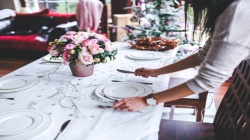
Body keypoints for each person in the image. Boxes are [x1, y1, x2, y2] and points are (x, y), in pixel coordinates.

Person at [113, 0, 250, 112]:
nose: (184, 2)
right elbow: (202, 55)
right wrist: (156, 71)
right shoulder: (232, 9)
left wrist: (145, 100)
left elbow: (208, 80)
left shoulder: (238, 13)